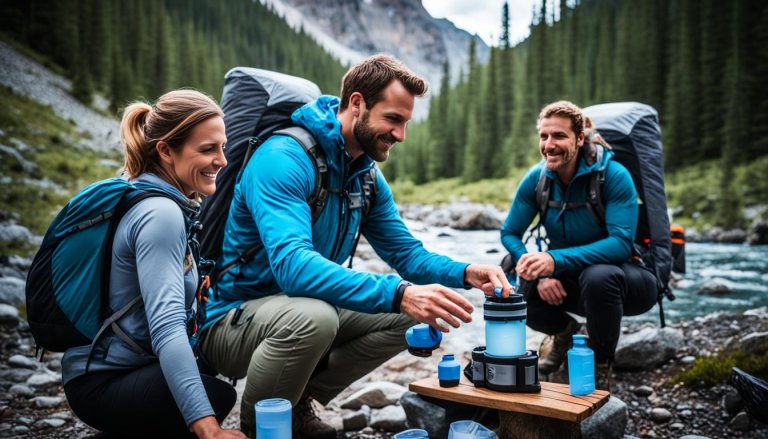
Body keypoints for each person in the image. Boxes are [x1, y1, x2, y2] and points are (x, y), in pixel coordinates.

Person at [199, 54, 512, 438]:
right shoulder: (283, 159)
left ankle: (295, 402)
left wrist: (464, 272)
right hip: (231, 320)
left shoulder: (364, 177)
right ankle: (263, 426)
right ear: (357, 103)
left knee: (421, 309)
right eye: (393, 119)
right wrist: (398, 293)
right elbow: (294, 268)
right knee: (318, 317)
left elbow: (406, 254)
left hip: (301, 310)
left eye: (406, 123)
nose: (400, 135)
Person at [61, 90, 245, 438]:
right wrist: (208, 428)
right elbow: (167, 326)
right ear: (165, 150)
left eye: (223, 146)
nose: (222, 160)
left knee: (208, 388)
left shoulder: (142, 189)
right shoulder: (160, 213)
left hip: (98, 372)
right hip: (104, 382)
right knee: (214, 398)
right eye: (207, 149)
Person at [500, 101, 657, 389]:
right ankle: (564, 333)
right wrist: (542, 272)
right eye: (544, 136)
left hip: (627, 281)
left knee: (598, 275)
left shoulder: (614, 175)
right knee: (514, 275)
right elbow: (509, 233)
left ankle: (599, 363)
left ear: (580, 139)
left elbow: (621, 245)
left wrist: (555, 261)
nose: (549, 144)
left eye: (559, 136)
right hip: (571, 278)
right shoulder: (537, 179)